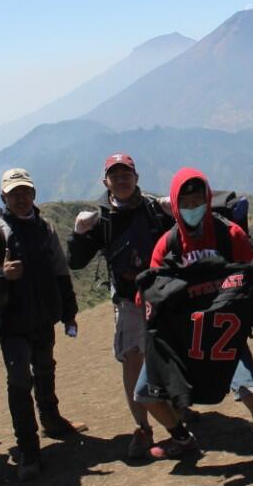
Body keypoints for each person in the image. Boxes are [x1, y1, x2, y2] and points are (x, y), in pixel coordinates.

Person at [134, 168, 253, 481]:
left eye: (198, 197)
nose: (193, 204)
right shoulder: (167, 245)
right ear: (176, 203)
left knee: (250, 392)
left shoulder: (230, 234)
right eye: (186, 199)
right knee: (146, 393)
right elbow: (148, 297)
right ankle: (182, 438)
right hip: (183, 337)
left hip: (226, 334)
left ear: (208, 199)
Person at [0, 168, 83, 482]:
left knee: (46, 368)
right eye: (14, 193)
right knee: (20, 381)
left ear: (33, 194)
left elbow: (60, 271)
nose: (21, 198)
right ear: (3, 198)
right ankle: (28, 449)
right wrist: (0, 275)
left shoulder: (44, 227)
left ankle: (51, 420)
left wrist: (69, 312)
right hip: (12, 325)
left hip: (43, 318)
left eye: (26, 192)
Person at [67, 152, 173, 459]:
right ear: (106, 182)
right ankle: (143, 427)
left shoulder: (156, 208)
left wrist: (176, 207)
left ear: (136, 178)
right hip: (128, 299)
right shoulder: (100, 220)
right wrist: (78, 232)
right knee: (132, 359)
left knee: (168, 353)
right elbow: (76, 261)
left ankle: (175, 410)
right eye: (115, 176)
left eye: (126, 174)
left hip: (162, 294)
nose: (121, 180)